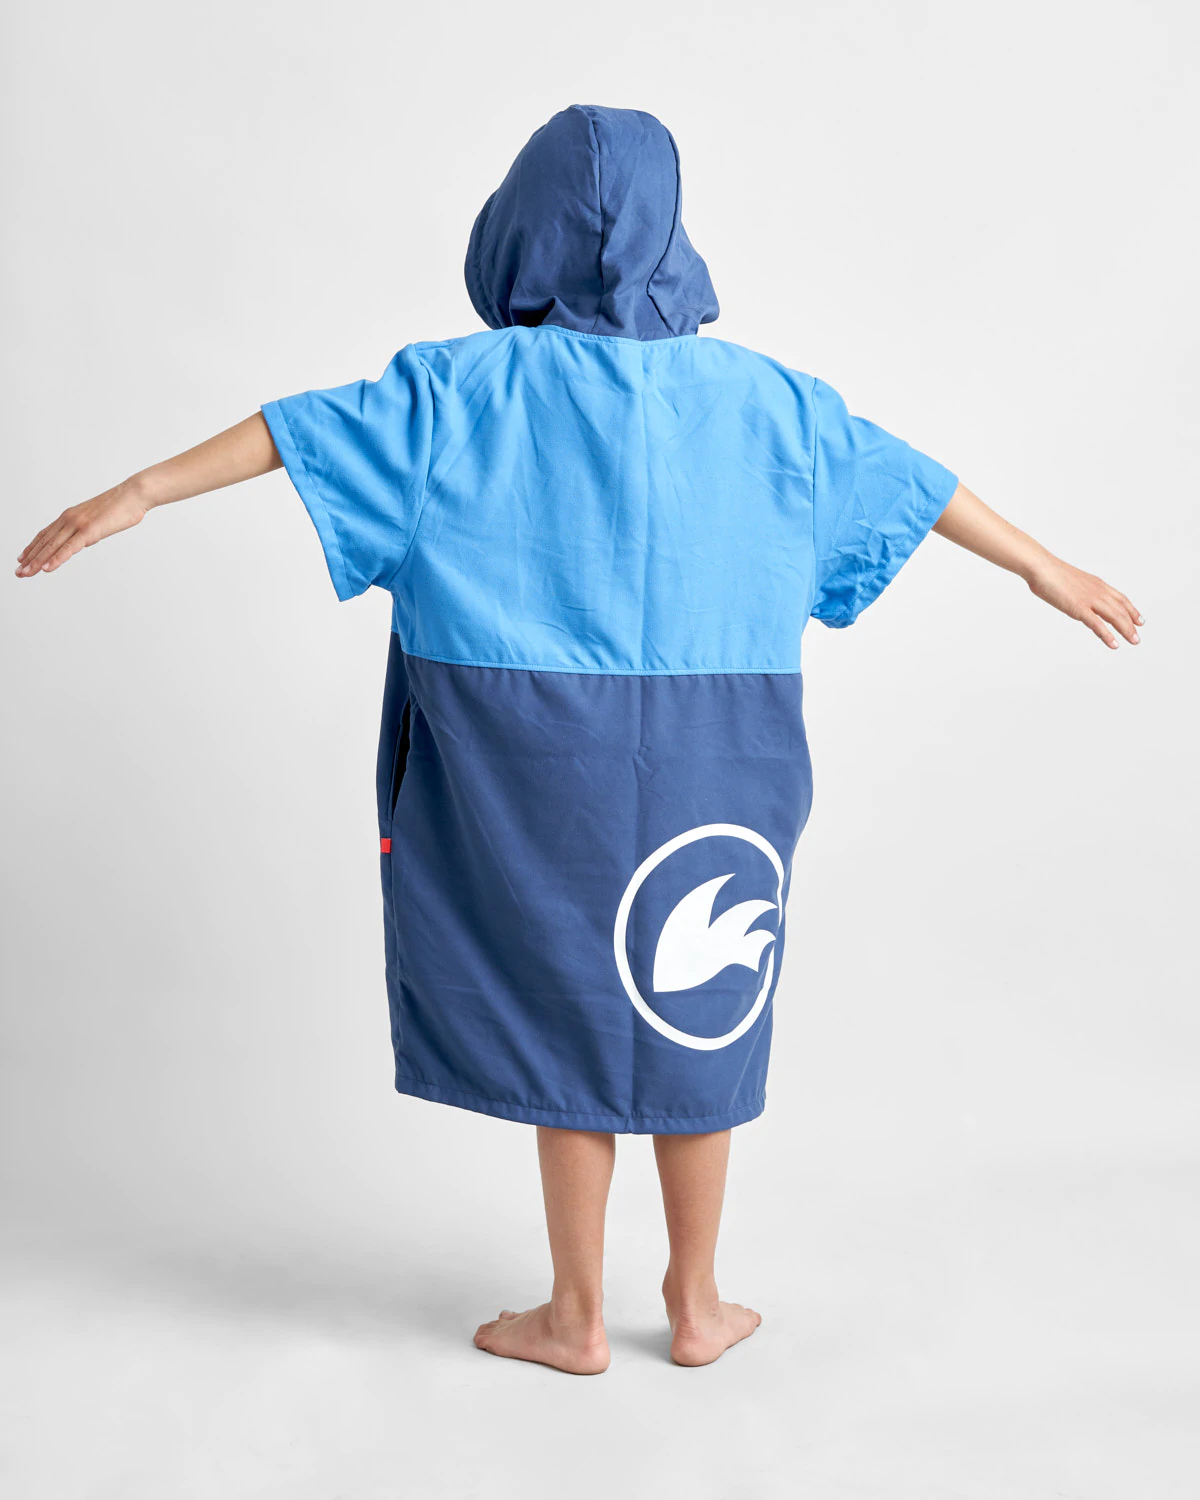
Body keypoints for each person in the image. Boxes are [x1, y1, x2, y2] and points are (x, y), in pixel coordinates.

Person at [15, 105, 1142, 1376]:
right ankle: (698, 1304)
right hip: (725, 754)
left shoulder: (462, 389)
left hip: (533, 763)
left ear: (522, 229)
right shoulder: (770, 401)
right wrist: (1043, 564)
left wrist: (139, 491)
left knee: (569, 997)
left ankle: (576, 1314)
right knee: (699, 1003)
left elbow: (297, 432)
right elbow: (915, 483)